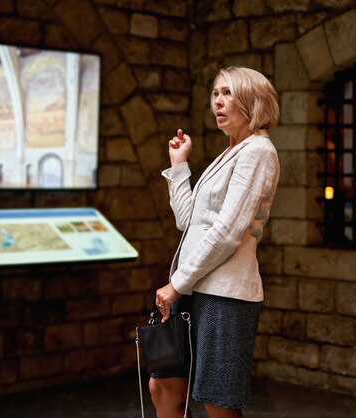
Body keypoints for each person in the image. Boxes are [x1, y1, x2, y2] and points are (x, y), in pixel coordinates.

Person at [149, 66, 280, 418]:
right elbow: (186, 222)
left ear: (252, 102)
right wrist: (179, 167)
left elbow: (226, 233)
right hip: (193, 288)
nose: (217, 102)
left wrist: (177, 283)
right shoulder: (229, 153)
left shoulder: (258, 152)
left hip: (224, 295)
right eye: (215, 93)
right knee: (164, 385)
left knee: (217, 400)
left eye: (228, 93)